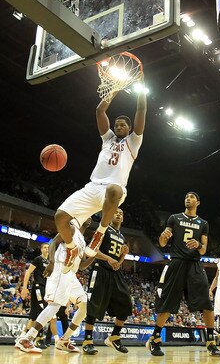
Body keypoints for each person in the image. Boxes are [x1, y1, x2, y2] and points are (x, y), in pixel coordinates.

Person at [55, 77, 147, 272]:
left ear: (129, 128)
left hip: (113, 192)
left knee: (114, 189)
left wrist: (141, 89)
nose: (118, 127)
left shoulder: (133, 142)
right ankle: (72, 249)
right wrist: (114, 89)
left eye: (122, 125)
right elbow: (99, 111)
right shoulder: (107, 139)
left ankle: (100, 233)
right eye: (116, 124)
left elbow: (141, 111)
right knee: (60, 217)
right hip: (92, 187)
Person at [146, 192, 220, 357]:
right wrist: (163, 236)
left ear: (198, 202)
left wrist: (198, 245)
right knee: (167, 303)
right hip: (177, 262)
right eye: (186, 196)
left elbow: (203, 250)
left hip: (195, 264)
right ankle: (155, 339)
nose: (188, 198)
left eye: (192, 197)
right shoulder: (174, 218)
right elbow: (162, 242)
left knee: (207, 303)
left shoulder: (203, 223)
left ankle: (210, 342)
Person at [16, 219, 91, 353]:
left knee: (85, 305)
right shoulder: (71, 228)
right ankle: (27, 338)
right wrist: (51, 262)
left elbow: (83, 266)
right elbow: (53, 243)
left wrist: (95, 255)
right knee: (54, 306)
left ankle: (64, 340)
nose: (89, 218)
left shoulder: (82, 240)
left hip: (72, 274)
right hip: (61, 269)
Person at [80, 208, 131, 355]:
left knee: (126, 304)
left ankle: (114, 337)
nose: (118, 214)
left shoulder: (122, 237)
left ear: (123, 218)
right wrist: (108, 258)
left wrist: (123, 255)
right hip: (100, 269)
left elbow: (119, 262)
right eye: (115, 212)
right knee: (94, 303)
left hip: (115, 273)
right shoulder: (103, 229)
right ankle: (87, 341)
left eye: (121, 213)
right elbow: (92, 249)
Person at [17, 243, 58, 349]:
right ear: (41, 249)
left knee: (34, 316)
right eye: (45, 247)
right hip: (38, 287)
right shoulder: (38, 259)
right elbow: (28, 272)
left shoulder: (51, 262)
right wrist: (24, 287)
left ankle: (22, 335)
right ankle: (39, 338)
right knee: (43, 311)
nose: (47, 249)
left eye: (48, 248)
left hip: (47, 289)